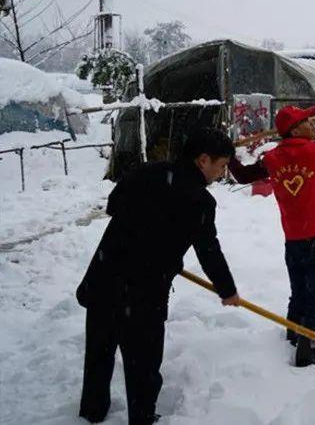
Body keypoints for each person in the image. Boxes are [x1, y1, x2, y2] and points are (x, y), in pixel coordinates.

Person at [76, 128, 242, 425]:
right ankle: (142, 417)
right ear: (203, 160)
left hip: (104, 279)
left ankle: (92, 411)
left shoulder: (147, 172)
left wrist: (152, 238)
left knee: (98, 356)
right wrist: (227, 289)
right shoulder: (200, 201)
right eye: (221, 165)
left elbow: (115, 206)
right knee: (143, 367)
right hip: (143, 294)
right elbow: (208, 251)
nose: (222, 172)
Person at [228, 101, 315, 367]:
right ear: (294, 129)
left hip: (293, 240)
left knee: (299, 289)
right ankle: (307, 349)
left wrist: (228, 154)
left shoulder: (271, 159)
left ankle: (293, 331)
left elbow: (243, 176)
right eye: (306, 121)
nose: (312, 124)